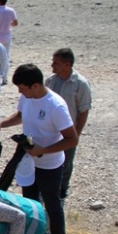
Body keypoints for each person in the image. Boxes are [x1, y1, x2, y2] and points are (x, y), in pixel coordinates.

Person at [0, 63, 79, 234]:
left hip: (50, 165)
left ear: (35, 85)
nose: (19, 92)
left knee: (52, 205)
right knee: (30, 205)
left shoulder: (56, 106)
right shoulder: (27, 97)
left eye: (22, 88)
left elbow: (72, 139)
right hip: (29, 161)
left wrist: (43, 151)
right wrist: (0, 124)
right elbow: (20, 115)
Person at [44, 48, 92, 204]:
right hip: (51, 130)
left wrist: (76, 134)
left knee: (66, 161)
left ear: (67, 64)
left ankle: (62, 189)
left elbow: (84, 111)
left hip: (67, 132)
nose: (52, 65)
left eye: (56, 62)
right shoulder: (50, 81)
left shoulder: (80, 84)